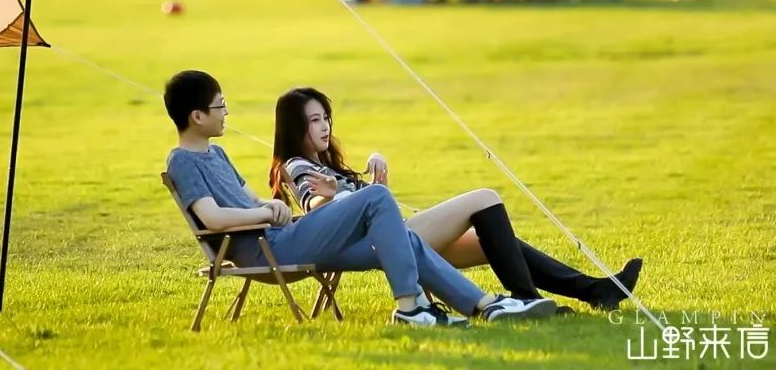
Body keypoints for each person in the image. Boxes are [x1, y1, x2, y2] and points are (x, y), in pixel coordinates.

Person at [163, 70, 557, 328]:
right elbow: (211, 218)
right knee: (375, 199)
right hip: (267, 250)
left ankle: (486, 306)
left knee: (408, 239)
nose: (226, 113)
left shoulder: (216, 154)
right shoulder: (182, 161)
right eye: (220, 107)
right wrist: (267, 210)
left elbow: (247, 199)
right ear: (197, 116)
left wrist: (268, 209)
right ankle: (410, 307)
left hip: (282, 237)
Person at [267, 87, 644, 312]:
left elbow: (368, 207)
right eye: (315, 120)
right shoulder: (298, 166)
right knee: (484, 199)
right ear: (295, 126)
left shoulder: (323, 163)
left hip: (390, 237)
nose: (325, 126)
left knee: (494, 241)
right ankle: (527, 299)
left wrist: (371, 181)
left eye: (326, 117)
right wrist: (334, 198)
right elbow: (318, 211)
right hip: (384, 244)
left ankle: (595, 290)